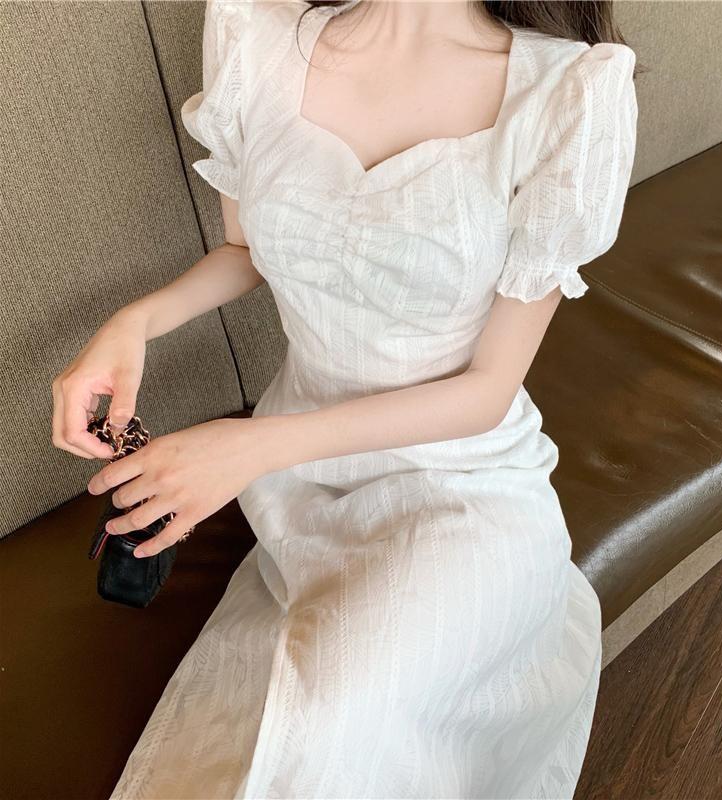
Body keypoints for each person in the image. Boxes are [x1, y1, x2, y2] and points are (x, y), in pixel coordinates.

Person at [51, 0, 639, 796]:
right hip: (301, 486)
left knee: (336, 711)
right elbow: (247, 250)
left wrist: (252, 446)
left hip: (463, 485)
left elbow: (485, 391)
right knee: (318, 722)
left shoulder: (567, 95)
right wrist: (134, 323)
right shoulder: (256, 42)